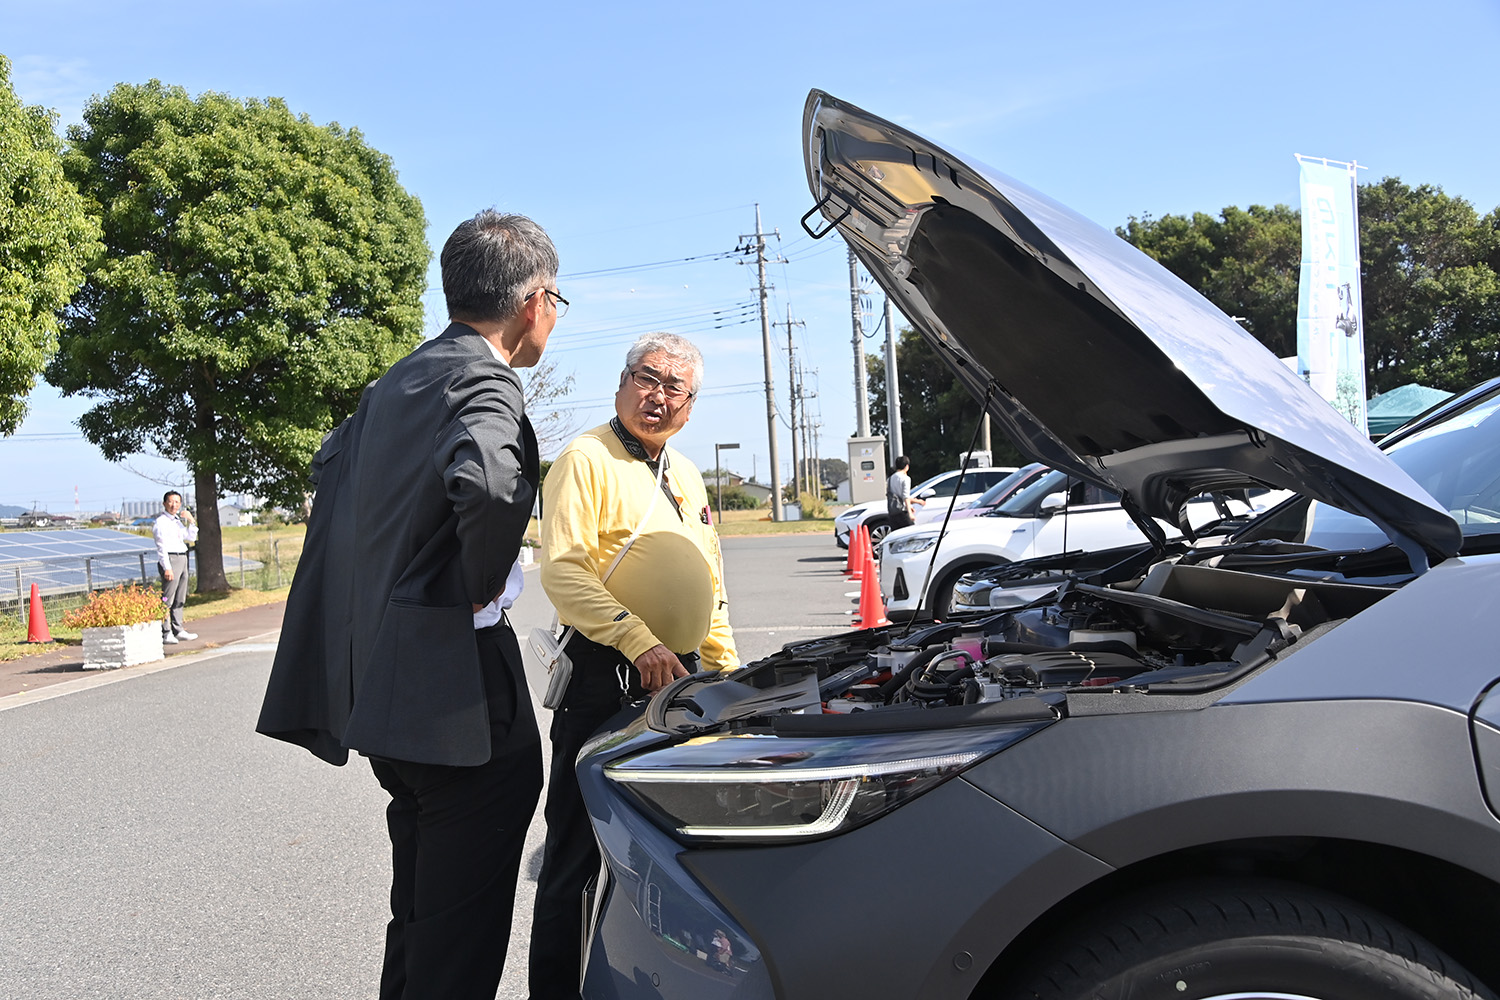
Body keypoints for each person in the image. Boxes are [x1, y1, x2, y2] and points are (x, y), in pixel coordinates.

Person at [256, 210, 563, 1000]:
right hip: (459, 688)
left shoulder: (395, 380)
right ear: (535, 302)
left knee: (422, 910)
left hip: (384, 687)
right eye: (556, 300)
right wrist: (476, 584)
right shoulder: (483, 379)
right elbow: (493, 485)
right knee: (460, 929)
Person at [529, 332, 738, 999]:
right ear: (623, 382)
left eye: (675, 387)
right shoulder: (585, 458)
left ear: (691, 404)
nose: (659, 395)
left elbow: (713, 580)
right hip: (608, 675)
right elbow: (563, 569)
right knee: (575, 856)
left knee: (667, 860)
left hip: (682, 683)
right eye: (648, 377)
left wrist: (727, 673)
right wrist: (636, 639)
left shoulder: (685, 473)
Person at [152, 490, 198, 643]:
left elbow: (190, 537)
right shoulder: (161, 522)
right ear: (164, 503)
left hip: (182, 558)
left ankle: (178, 629)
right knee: (167, 597)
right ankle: (166, 632)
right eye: (171, 502)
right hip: (171, 560)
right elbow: (161, 547)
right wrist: (167, 567)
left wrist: (191, 521)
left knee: (180, 596)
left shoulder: (177, 521)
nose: (174, 505)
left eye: (177, 502)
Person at [886, 455, 923, 530]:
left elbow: (895, 495)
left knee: (896, 536)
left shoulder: (890, 479)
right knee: (911, 533)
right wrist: (910, 513)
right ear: (907, 466)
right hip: (902, 512)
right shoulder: (905, 478)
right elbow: (905, 497)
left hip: (892, 512)